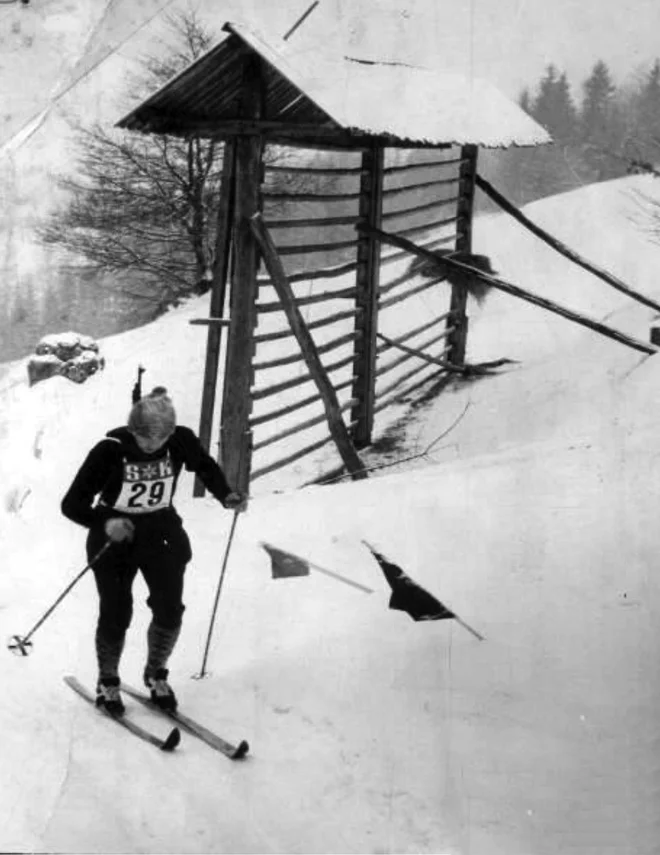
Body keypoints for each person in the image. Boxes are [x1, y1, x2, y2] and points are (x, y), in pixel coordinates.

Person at [61, 387, 245, 716]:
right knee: (117, 612)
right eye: (146, 441)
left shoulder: (179, 440)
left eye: (160, 441)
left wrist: (226, 494)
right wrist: (105, 525)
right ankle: (108, 680)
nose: (152, 447)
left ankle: (156, 673)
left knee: (170, 608)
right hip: (115, 540)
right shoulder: (109, 451)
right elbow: (72, 505)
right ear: (132, 430)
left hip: (161, 534)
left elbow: (203, 465)